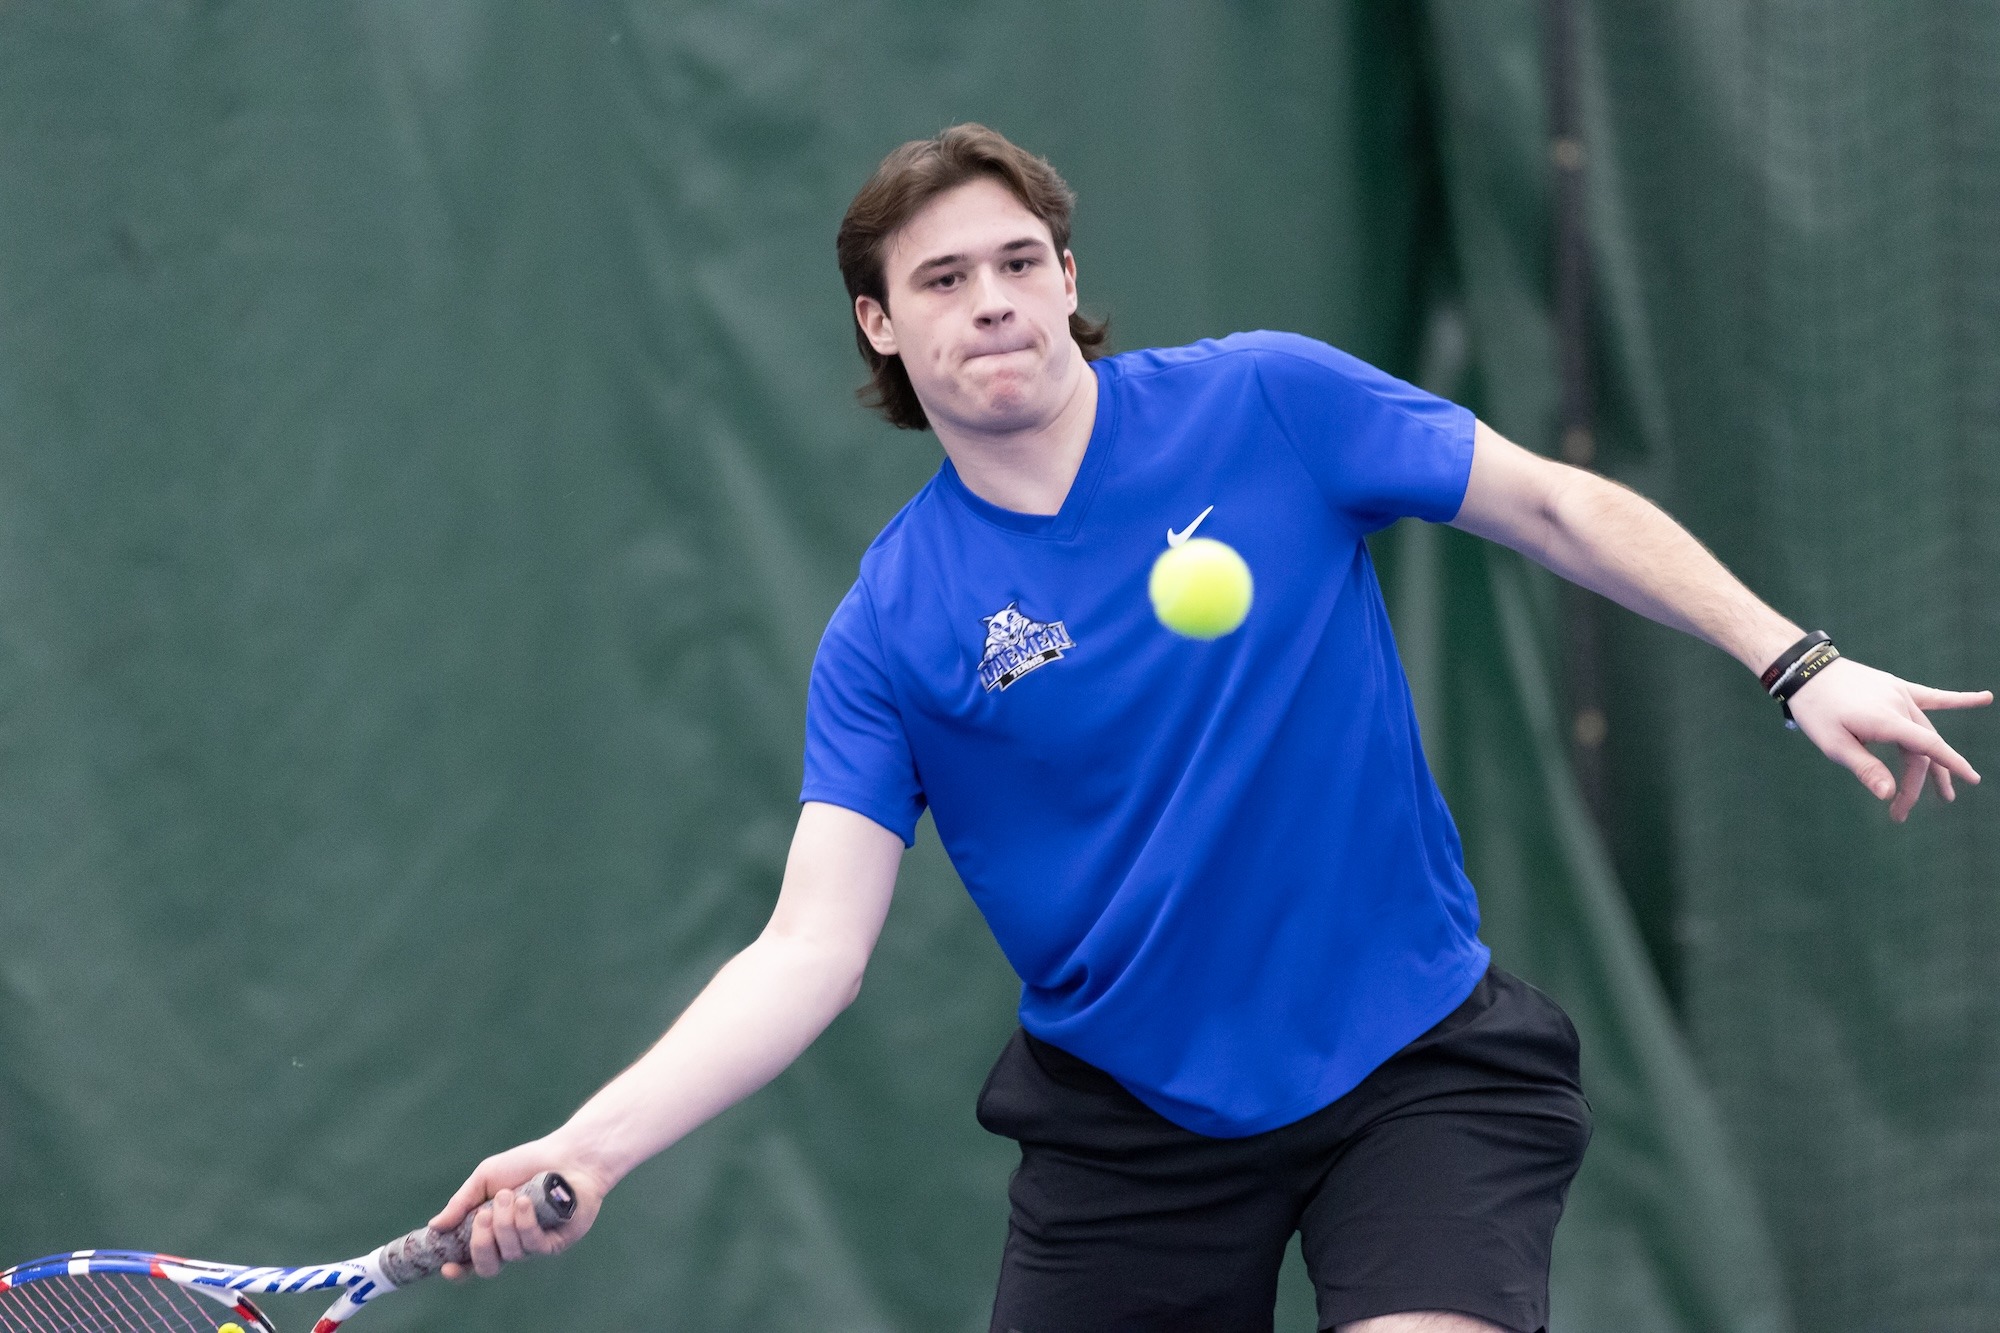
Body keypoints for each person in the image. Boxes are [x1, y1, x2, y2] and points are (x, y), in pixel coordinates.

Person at [428, 125, 1989, 1333]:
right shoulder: (893, 625)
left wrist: (1795, 661)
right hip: (1132, 1131)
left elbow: (1553, 503)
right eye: (943, 280)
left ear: (1064, 276)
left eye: (1021, 260)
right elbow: (810, 951)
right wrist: (599, 1140)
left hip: (1413, 1060)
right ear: (880, 328)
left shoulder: (1270, 405)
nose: (996, 303)